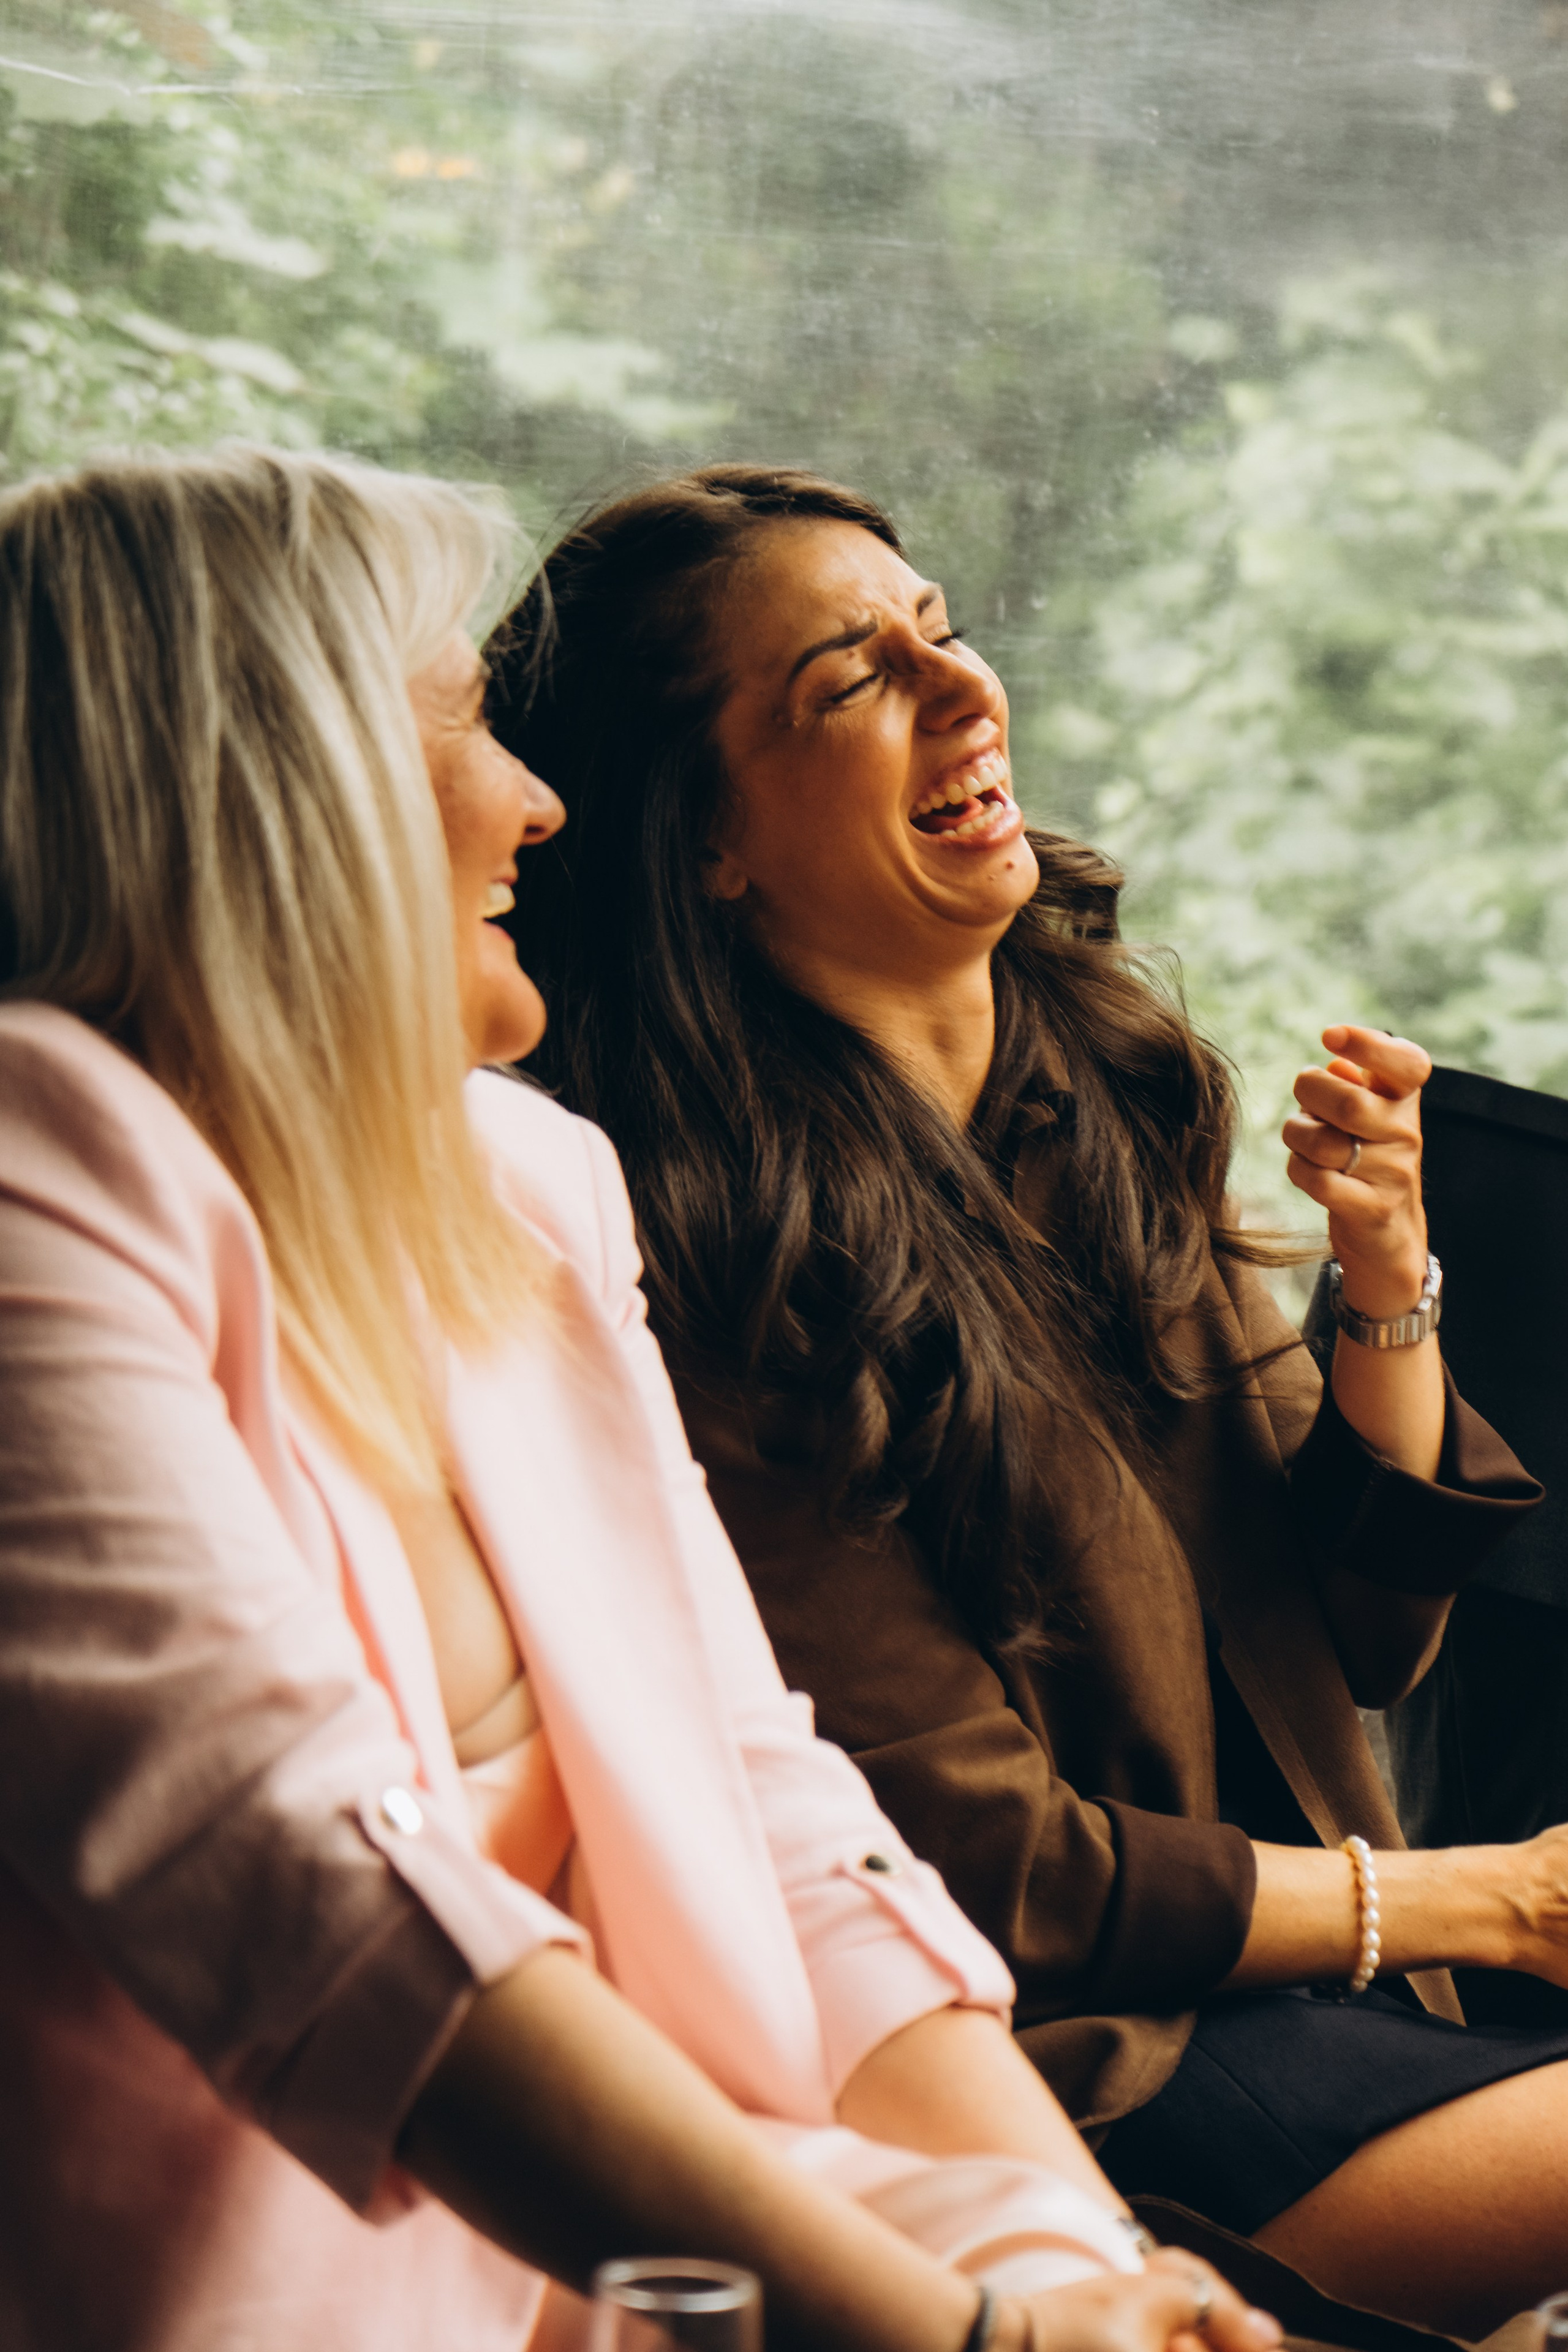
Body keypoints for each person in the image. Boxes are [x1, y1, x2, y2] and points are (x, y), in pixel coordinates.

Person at [0, 448, 1270, 2352]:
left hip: (689, 2268)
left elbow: (777, 1809)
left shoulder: (530, 1185)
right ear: (273, 790)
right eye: (459, 726)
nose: (537, 803)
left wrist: (1097, 2272)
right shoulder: (47, 1167)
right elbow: (314, 1893)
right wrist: (975, 2341)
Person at [485, 462, 1568, 2343]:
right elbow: (988, 1871)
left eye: (943, 631)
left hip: (1336, 2011)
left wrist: (1387, 1287)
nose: (965, 691)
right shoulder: (689, 1259)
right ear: (707, 842)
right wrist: (1489, 1902)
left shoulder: (1103, 1078)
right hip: (1087, 2093)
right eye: (849, 681)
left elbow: (1365, 1648)